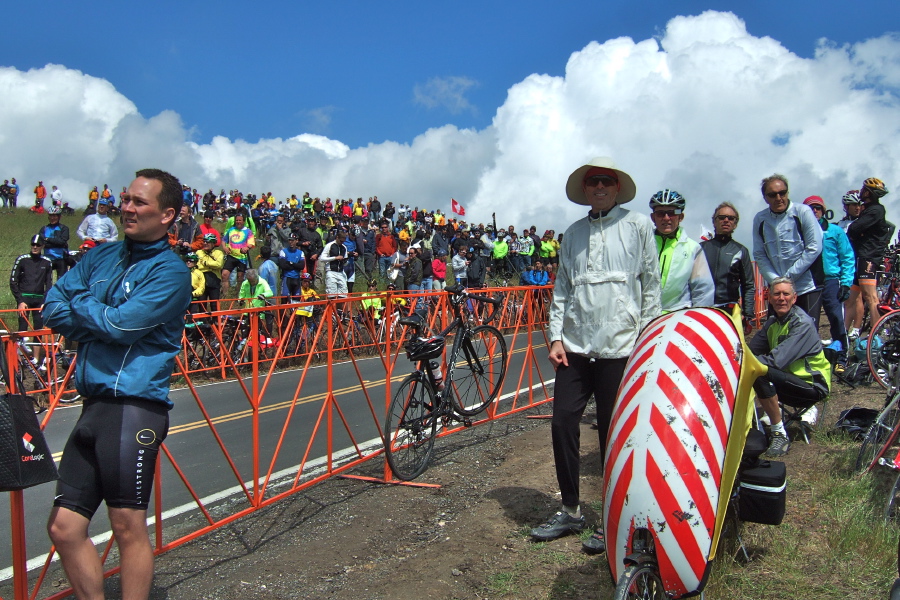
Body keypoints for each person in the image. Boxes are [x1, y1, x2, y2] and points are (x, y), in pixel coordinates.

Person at [43, 168, 191, 600]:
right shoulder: (100, 256)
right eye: (126, 199)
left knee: (127, 526)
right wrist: (98, 318)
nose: (126, 208)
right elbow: (53, 306)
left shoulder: (171, 272)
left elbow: (122, 327)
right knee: (64, 527)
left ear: (167, 215)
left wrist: (85, 307)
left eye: (139, 202)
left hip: (134, 407)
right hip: (93, 404)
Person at [532, 158, 660, 553]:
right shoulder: (572, 234)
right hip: (574, 347)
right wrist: (555, 338)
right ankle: (571, 510)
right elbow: (562, 290)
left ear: (617, 187)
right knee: (562, 423)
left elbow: (650, 285)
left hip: (621, 348)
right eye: (593, 182)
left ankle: (614, 516)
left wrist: (649, 338)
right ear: (585, 190)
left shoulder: (638, 226)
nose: (600, 187)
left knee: (614, 435)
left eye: (606, 181)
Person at [749, 277, 831, 457]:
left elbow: (775, 361)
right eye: (776, 294)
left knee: (760, 372)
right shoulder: (772, 322)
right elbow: (750, 351)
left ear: (794, 298)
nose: (781, 298)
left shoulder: (801, 323)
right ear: (769, 298)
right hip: (788, 381)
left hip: (811, 386)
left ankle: (779, 434)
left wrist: (745, 362)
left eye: (786, 294)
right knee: (751, 369)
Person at [752, 174, 823, 318]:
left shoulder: (803, 212)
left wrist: (788, 278)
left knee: (807, 335)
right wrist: (776, 281)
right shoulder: (760, 219)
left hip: (807, 286)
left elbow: (814, 247)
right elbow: (759, 253)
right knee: (778, 335)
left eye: (782, 193)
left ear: (787, 192)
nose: (778, 198)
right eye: (772, 195)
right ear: (765, 198)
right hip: (778, 289)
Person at [803, 196, 854, 367]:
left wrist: (846, 282)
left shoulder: (835, 231)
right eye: (810, 208)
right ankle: (811, 359)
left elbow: (847, 257)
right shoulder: (801, 233)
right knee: (809, 321)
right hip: (810, 281)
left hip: (832, 280)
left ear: (823, 210)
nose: (814, 211)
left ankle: (841, 357)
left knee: (836, 318)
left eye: (818, 208)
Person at [650, 189, 714, 312]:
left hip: (678, 314)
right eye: (660, 214)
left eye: (672, 212)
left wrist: (697, 319)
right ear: (653, 217)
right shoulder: (642, 244)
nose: (666, 218)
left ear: (681, 217)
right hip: (645, 315)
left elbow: (703, 289)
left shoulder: (693, 248)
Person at [845, 178, 892, 339]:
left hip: (868, 258)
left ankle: (876, 336)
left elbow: (855, 228)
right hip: (861, 258)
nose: (861, 191)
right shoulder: (869, 210)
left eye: (864, 189)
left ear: (869, 193)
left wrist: (858, 232)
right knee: (851, 299)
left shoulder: (876, 210)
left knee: (871, 297)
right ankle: (842, 335)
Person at [700, 202, 756, 331]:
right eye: (722, 217)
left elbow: (748, 285)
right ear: (714, 222)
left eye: (731, 218)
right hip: (703, 310)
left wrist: (748, 315)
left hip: (729, 311)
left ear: (735, 224)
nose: (726, 220)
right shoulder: (700, 248)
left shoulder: (741, 250)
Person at [10, 234, 53, 334]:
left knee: (39, 330)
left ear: (42, 246)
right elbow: (13, 281)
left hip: (39, 299)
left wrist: (45, 301)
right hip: (24, 298)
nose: (35, 247)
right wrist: (20, 301)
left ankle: (37, 349)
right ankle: (22, 348)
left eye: (38, 245)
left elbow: (49, 283)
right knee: (22, 328)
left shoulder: (47, 262)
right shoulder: (22, 260)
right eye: (33, 244)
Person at [222, 213, 255, 296]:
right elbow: (224, 240)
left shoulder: (248, 231)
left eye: (240, 220)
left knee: (240, 278)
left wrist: (247, 248)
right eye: (237, 220)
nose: (238, 222)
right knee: (224, 275)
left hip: (242, 258)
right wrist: (225, 248)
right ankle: (225, 295)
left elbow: (251, 243)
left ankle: (238, 296)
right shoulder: (231, 230)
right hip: (231, 256)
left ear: (243, 221)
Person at [39, 205, 72, 281]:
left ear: (59, 217)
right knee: (44, 280)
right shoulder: (44, 228)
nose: (52, 218)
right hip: (47, 258)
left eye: (55, 216)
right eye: (51, 216)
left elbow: (62, 241)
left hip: (61, 258)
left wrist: (48, 239)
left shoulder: (64, 228)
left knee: (61, 281)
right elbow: (41, 242)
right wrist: (56, 242)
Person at [196, 233, 225, 311]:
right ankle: (203, 321)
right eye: (204, 241)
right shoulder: (199, 252)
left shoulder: (218, 253)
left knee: (214, 304)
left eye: (207, 242)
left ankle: (215, 321)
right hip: (202, 280)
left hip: (214, 279)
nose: (205, 243)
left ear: (213, 243)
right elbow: (198, 265)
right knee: (202, 304)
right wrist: (212, 265)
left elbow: (219, 264)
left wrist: (205, 263)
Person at [320, 229, 349, 298]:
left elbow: (345, 262)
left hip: (341, 272)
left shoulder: (344, 248)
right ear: (337, 238)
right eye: (341, 241)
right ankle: (331, 308)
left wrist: (345, 261)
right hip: (331, 271)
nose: (342, 243)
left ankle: (340, 309)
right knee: (331, 295)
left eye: (343, 241)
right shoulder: (330, 245)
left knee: (343, 295)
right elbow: (322, 258)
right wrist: (335, 258)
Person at [279, 234, 306, 300]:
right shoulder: (283, 251)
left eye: (292, 240)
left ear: (296, 241)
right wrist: (296, 265)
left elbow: (301, 266)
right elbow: (283, 266)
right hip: (287, 278)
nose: (291, 242)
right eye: (289, 240)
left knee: (296, 301)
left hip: (296, 279)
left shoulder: (301, 253)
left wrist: (290, 263)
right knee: (284, 300)